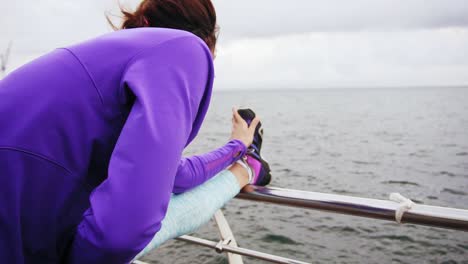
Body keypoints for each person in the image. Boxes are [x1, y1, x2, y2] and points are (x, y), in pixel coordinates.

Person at [0, 0, 271, 263]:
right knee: (154, 216)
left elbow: (174, 176)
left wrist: (236, 146)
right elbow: (123, 232)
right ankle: (249, 168)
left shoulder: (101, 65)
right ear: (209, 41)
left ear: (143, 22)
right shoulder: (184, 48)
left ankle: (248, 166)